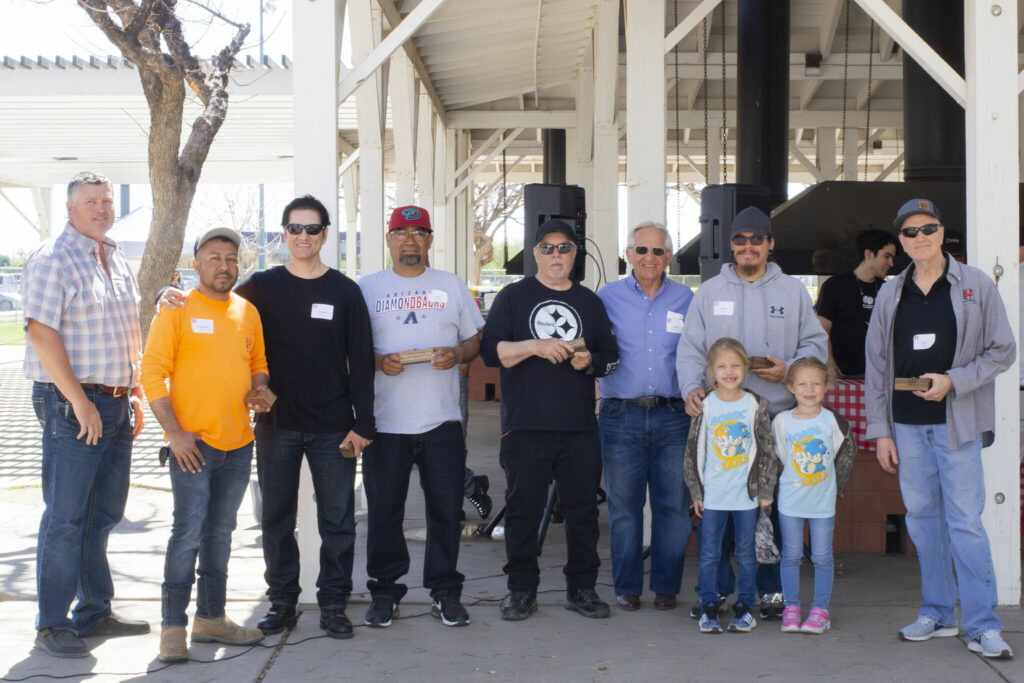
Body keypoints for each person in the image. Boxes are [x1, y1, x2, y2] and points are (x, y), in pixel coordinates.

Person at [158, 195, 376, 640]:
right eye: (294, 229)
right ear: (284, 234)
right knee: (277, 519)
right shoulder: (259, 287)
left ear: (324, 235)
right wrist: (172, 292)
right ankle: (282, 602)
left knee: (337, 520)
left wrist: (363, 423)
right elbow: (212, 303)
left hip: (334, 425)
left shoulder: (345, 291)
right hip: (276, 427)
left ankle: (334, 603)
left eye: (311, 229)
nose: (303, 237)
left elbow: (363, 361)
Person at [866, 198, 1016, 660]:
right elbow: (876, 366)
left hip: (957, 423)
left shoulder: (975, 285)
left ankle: (982, 625)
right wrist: (881, 431)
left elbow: (1002, 350)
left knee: (965, 523)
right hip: (907, 427)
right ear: (902, 241)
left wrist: (955, 381)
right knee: (924, 524)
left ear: (942, 231)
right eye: (909, 233)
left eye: (927, 229)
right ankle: (938, 612)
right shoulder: (892, 292)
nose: (919, 238)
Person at [676, 205, 828, 620]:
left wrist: (791, 371)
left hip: (775, 422)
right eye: (741, 240)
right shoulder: (709, 292)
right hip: (722, 423)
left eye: (756, 240)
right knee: (720, 516)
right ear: (731, 245)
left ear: (770, 245)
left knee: (770, 513)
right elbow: (690, 348)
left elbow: (815, 345)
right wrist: (691, 387)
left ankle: (770, 595)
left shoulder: (793, 292)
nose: (748, 247)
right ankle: (718, 592)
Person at [22, 171, 148, 658]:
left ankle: (94, 611)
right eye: (91, 202)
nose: (101, 209)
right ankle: (52, 623)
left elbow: (128, 329)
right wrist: (78, 400)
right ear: (70, 209)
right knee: (67, 517)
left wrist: (133, 390)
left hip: (116, 400)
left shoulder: (114, 257)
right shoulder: (53, 257)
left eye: (106, 201)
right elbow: (40, 331)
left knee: (104, 514)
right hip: (72, 403)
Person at [481, 219, 619, 621]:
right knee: (523, 511)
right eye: (547, 248)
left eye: (563, 248)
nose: (555, 255)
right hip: (525, 425)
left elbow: (611, 358)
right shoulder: (512, 297)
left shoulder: (590, 303)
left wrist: (589, 359)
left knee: (583, 514)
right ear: (534, 253)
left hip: (579, 426)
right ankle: (521, 590)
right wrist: (535, 346)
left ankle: (582, 589)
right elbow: (492, 353)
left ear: (575, 254)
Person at [142, 228, 269, 662]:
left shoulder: (246, 311)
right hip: (193, 446)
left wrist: (261, 390)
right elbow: (151, 373)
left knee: (221, 534)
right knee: (187, 534)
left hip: (239, 444)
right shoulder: (176, 308)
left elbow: (258, 364)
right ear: (195, 264)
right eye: (214, 257)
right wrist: (174, 435)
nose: (224, 265)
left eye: (231, 258)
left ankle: (212, 619)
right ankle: (173, 628)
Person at [358, 205, 484, 628]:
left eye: (418, 233)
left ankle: (445, 591)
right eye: (401, 233)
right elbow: (350, 351)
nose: (409, 240)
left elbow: (474, 339)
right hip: (384, 422)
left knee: (446, 511)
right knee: (384, 513)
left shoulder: (451, 286)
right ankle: (385, 592)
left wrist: (459, 355)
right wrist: (378, 362)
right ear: (388, 240)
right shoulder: (366, 288)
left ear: (430, 240)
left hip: (441, 421)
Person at [596, 221, 693, 611]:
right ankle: (628, 586)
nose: (649, 257)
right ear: (628, 254)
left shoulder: (688, 299)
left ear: (668, 257)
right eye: (641, 250)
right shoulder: (605, 298)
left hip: (675, 415)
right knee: (624, 508)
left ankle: (667, 587)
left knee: (673, 507)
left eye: (657, 251)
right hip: (621, 415)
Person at [683, 338, 777, 634]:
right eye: (721, 366)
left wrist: (764, 490)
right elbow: (693, 451)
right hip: (713, 497)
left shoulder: (754, 405)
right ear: (710, 370)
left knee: (746, 553)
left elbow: (767, 450)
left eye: (736, 365)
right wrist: (696, 491)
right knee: (710, 552)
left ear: (746, 369)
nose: (729, 371)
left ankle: (746, 606)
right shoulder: (705, 406)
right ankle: (710, 604)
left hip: (746, 496)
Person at [770, 357, 855, 635]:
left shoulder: (832, 422)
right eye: (803, 384)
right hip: (790, 502)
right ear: (791, 387)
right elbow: (781, 457)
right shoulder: (782, 422)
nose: (810, 389)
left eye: (816, 383)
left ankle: (820, 611)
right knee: (791, 555)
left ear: (827, 386)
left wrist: (833, 488)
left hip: (822, 503)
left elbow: (840, 458)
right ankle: (791, 607)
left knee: (821, 556)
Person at [815, 229, 898, 377]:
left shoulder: (888, 290)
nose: (891, 263)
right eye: (887, 256)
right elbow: (822, 329)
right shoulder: (834, 285)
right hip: (841, 374)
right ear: (869, 254)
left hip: (878, 374)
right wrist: (829, 362)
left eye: (892, 258)